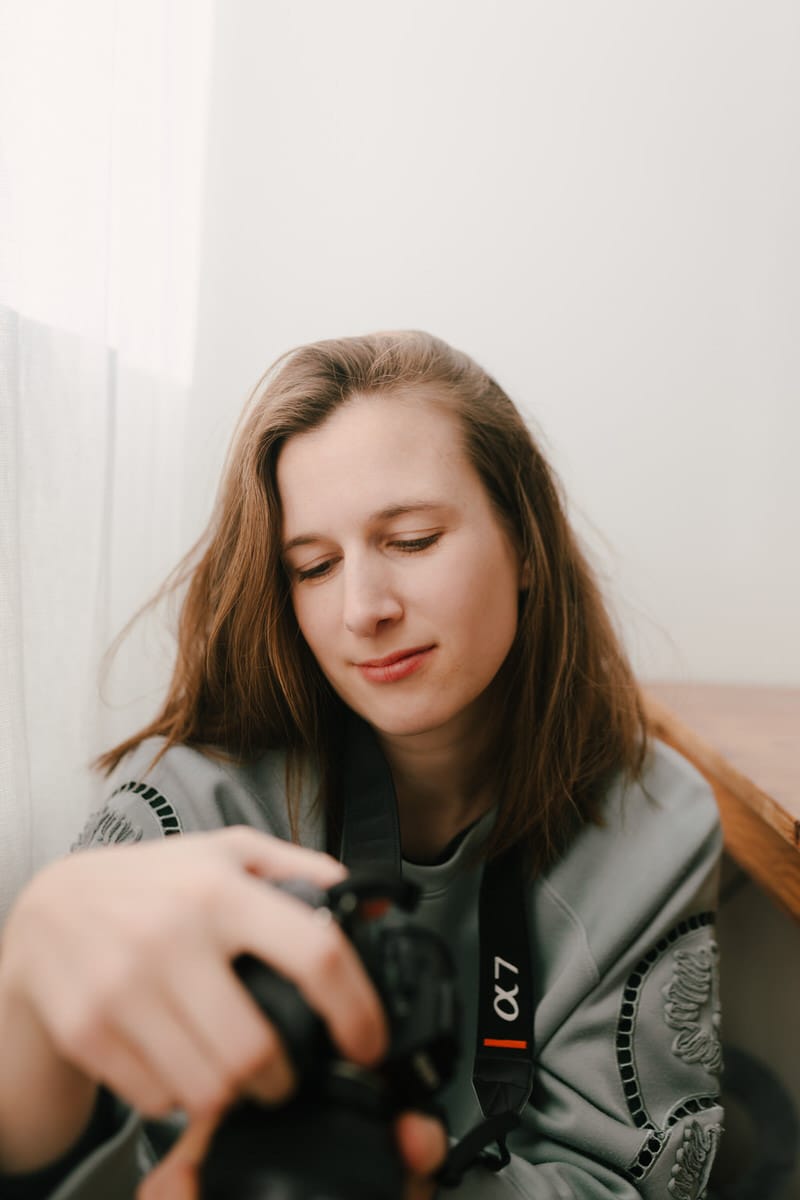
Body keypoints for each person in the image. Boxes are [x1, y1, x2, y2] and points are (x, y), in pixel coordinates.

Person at [0, 331, 724, 1199]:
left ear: (526, 542)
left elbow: (632, 1187)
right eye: (313, 565)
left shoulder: (653, 822)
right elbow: (51, 1153)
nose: (363, 610)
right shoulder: (188, 810)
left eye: (412, 541)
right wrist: (26, 1005)